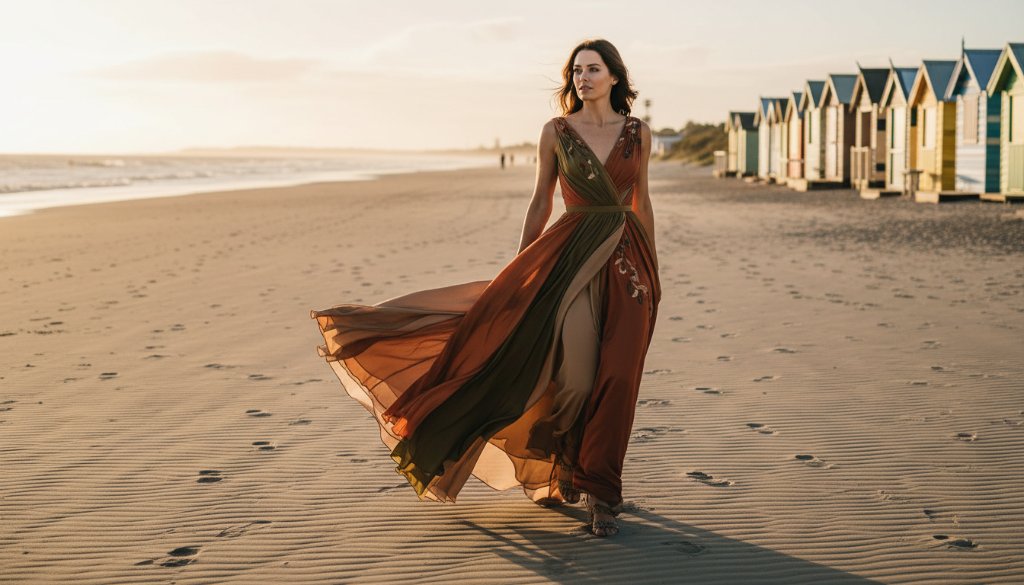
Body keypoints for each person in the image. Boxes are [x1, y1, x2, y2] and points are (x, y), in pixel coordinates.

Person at [310, 38, 660, 538]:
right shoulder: (556, 132)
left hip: (627, 265)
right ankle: (567, 463)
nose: (582, 78)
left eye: (593, 69)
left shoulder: (638, 133)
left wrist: (653, 268)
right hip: (569, 261)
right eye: (577, 71)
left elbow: (642, 202)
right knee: (578, 380)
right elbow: (540, 202)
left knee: (620, 377)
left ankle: (602, 494)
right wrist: (518, 272)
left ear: (615, 77)